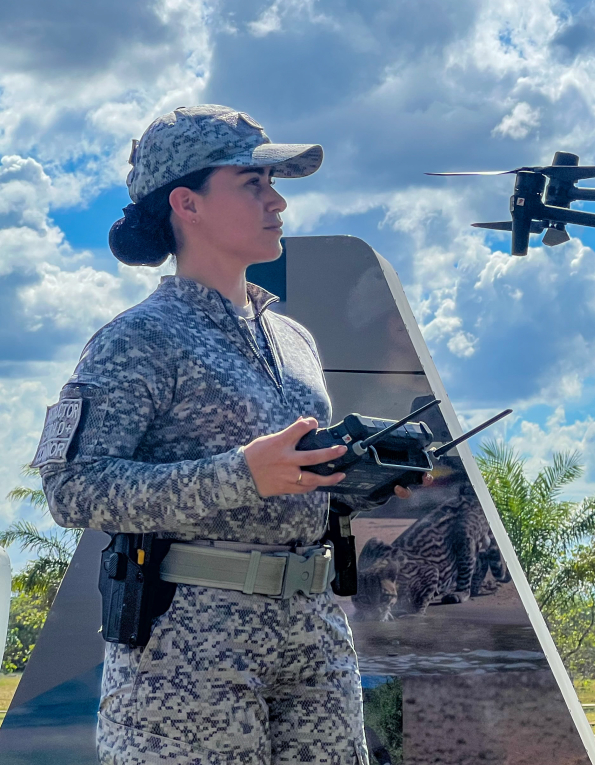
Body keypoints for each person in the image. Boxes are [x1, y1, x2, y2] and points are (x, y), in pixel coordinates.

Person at [32, 105, 409, 764]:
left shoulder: (293, 341)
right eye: (253, 184)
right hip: (190, 652)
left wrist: (350, 476)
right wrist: (240, 474)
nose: (278, 201)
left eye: (274, 185)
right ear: (188, 203)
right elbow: (72, 489)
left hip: (313, 635)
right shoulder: (139, 339)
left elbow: (287, 478)